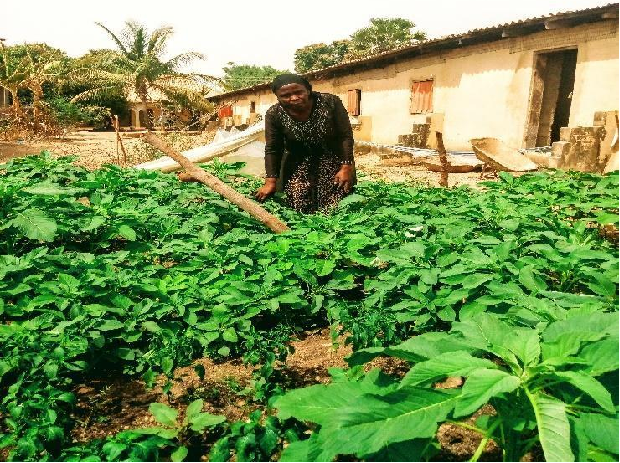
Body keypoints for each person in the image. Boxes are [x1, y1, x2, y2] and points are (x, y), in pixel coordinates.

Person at [254, 74, 356, 213]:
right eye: (286, 95)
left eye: (298, 92)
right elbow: (273, 148)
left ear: (308, 90)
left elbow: (345, 136)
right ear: (277, 97)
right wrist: (270, 181)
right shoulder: (274, 114)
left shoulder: (330, 102)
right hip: (297, 161)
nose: (294, 98)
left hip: (334, 159)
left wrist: (346, 167)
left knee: (337, 204)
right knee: (298, 205)